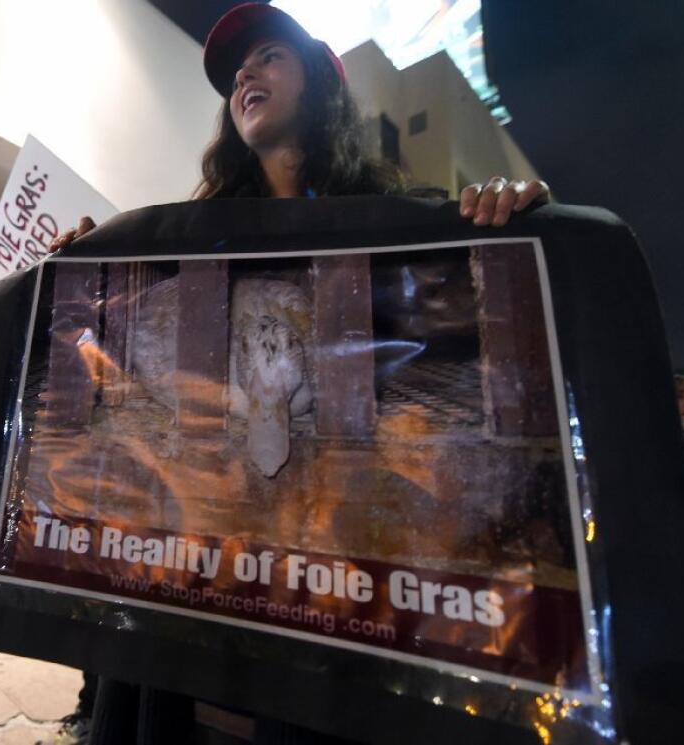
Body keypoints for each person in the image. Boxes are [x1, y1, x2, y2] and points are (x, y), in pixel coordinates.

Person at [46, 4, 552, 743]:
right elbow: (116, 373)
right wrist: (91, 269)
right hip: (203, 561)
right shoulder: (189, 242)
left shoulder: (401, 226)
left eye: (270, 57)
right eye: (236, 72)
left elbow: (471, 349)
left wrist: (518, 214)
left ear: (321, 85)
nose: (245, 73)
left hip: (339, 583)